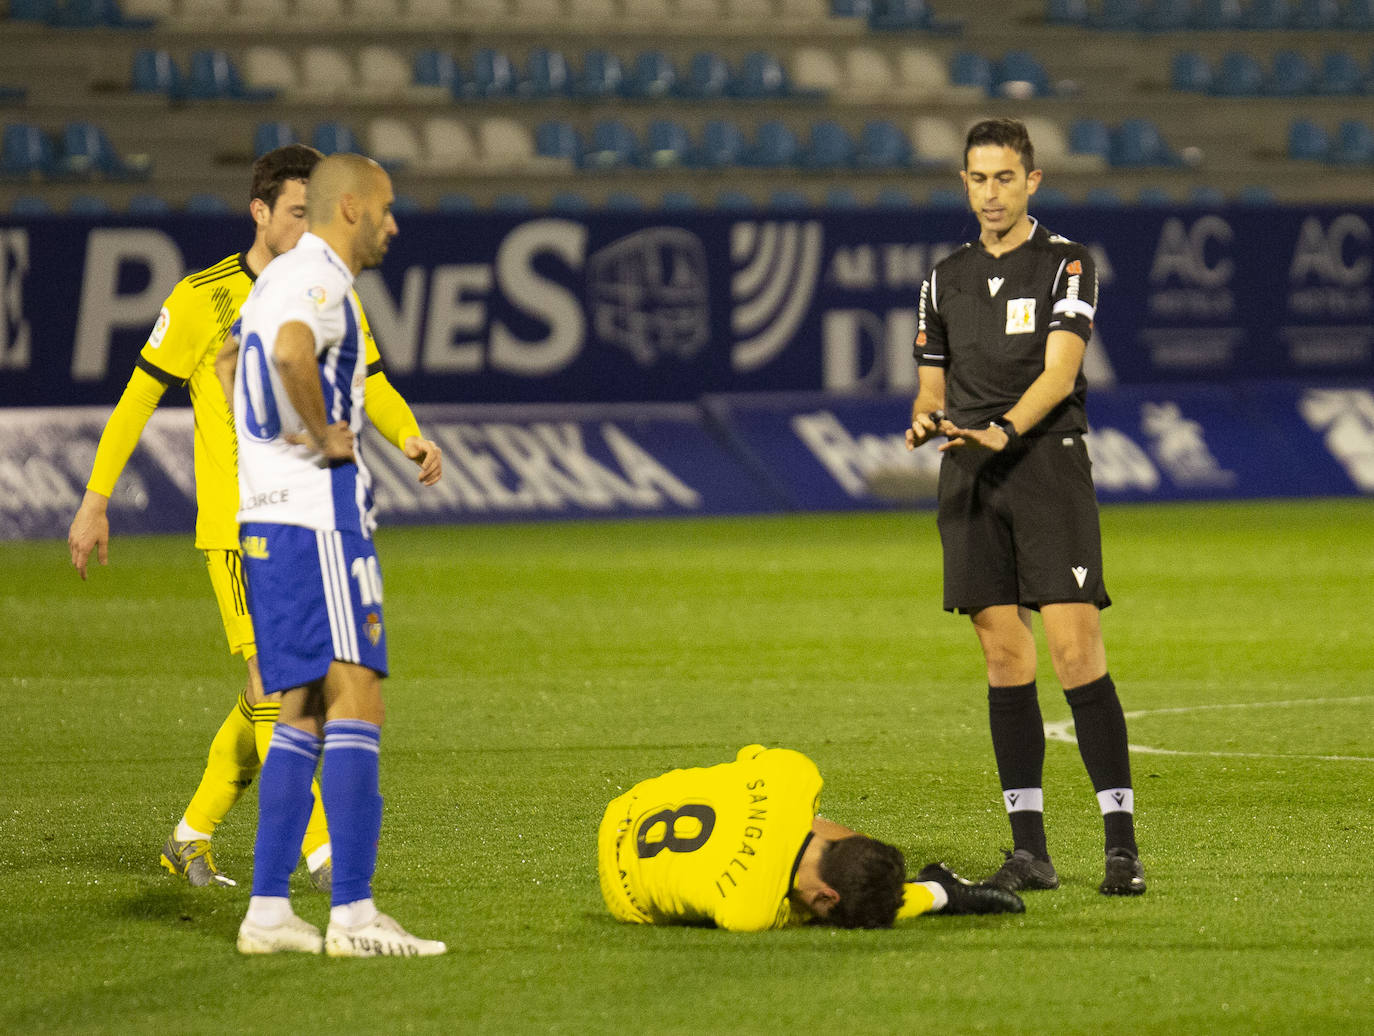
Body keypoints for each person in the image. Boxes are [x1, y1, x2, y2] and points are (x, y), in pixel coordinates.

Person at [66, 144, 442, 892]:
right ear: (260, 212)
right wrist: (95, 498)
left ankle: (190, 834)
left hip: (305, 521)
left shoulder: (327, 290)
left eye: (314, 212)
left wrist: (407, 435)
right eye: (295, 213)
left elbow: (372, 382)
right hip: (237, 529)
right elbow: (137, 399)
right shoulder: (203, 298)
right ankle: (322, 851)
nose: (307, 227)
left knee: (270, 691)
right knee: (279, 682)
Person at [904, 118, 1145, 897]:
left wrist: (1004, 429)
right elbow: (932, 385)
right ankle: (1030, 849)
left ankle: (1121, 846)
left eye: (1005, 177)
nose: (992, 192)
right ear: (965, 183)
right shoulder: (943, 277)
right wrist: (927, 417)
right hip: (971, 475)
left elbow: (1061, 370)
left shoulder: (1068, 263)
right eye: (978, 178)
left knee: (1077, 650)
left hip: (1044, 464)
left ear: (1032, 181)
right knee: (1004, 657)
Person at [229, 153, 444, 957]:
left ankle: (268, 912)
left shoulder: (276, 277)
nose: (393, 224)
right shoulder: (318, 280)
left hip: (268, 520)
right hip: (318, 521)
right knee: (358, 699)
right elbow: (288, 354)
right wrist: (322, 435)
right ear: (349, 208)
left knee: (302, 709)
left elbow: (234, 365)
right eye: (385, 209)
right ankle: (353, 916)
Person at [598, 744, 1024, 931]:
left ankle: (933, 889)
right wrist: (930, 899)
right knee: (842, 905)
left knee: (737, 780)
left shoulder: (795, 775)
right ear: (827, 893)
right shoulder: (750, 913)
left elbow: (751, 756)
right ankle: (939, 893)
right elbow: (822, 902)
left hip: (627, 806)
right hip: (622, 898)